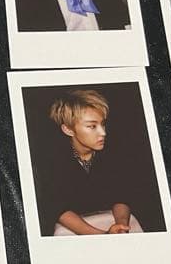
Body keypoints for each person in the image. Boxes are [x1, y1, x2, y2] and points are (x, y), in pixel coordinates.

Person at [42, 90, 144, 236]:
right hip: (72, 228)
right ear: (68, 129)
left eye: (103, 124)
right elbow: (58, 209)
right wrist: (103, 236)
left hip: (111, 219)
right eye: (92, 126)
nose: (103, 133)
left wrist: (121, 226)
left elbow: (122, 195)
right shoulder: (52, 161)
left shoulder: (115, 152)